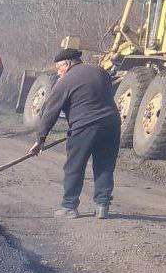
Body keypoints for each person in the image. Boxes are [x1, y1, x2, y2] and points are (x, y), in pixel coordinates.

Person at [27, 48, 120, 220]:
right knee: (105, 165)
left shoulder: (65, 81)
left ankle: (69, 206)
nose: (58, 72)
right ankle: (102, 206)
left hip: (84, 126)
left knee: (74, 166)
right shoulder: (101, 71)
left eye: (58, 68)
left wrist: (40, 139)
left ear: (67, 64)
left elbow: (50, 112)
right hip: (111, 125)